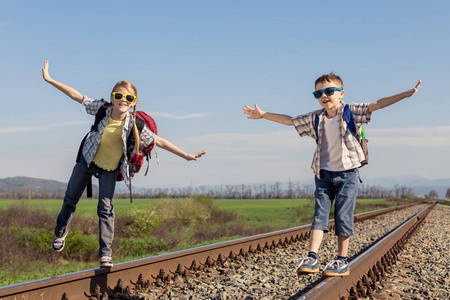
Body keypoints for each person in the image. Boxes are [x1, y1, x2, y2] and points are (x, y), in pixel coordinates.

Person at [243, 73, 421, 277]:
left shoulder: (350, 111)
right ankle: (312, 257)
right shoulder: (315, 117)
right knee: (319, 215)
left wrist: (406, 94)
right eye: (318, 93)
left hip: (348, 174)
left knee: (343, 216)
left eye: (329, 91)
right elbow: (290, 120)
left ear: (341, 93)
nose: (324, 96)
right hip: (323, 175)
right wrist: (263, 114)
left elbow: (377, 104)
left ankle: (341, 260)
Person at [42, 61, 206, 268]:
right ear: (112, 97)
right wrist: (49, 80)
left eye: (128, 97)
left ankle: (105, 253)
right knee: (70, 198)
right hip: (87, 159)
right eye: (118, 96)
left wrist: (185, 155)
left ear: (134, 102)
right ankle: (60, 232)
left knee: (106, 209)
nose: (122, 100)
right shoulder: (102, 108)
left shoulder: (136, 124)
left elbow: (158, 141)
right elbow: (77, 96)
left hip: (109, 169)